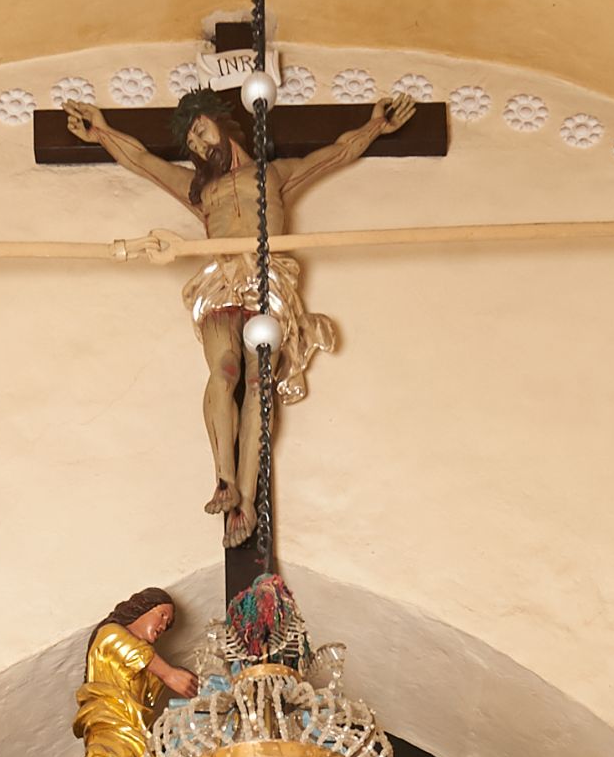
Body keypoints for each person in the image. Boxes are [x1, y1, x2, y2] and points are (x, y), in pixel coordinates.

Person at [62, 90, 417, 545]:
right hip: (220, 283)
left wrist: (376, 126)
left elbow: (337, 153)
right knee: (225, 370)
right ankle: (224, 480)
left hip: (267, 282)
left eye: (200, 129)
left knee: (257, 382)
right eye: (191, 140)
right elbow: (144, 163)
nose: (197, 142)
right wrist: (100, 131)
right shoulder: (199, 190)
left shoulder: (272, 175)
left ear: (222, 123)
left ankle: (246, 501)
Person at [55, 590, 197, 757]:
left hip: (135, 727)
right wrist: (170, 674)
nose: (163, 625)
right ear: (142, 610)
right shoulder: (110, 634)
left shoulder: (147, 666)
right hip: (110, 719)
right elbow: (134, 652)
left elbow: (151, 688)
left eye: (168, 623)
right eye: (162, 615)